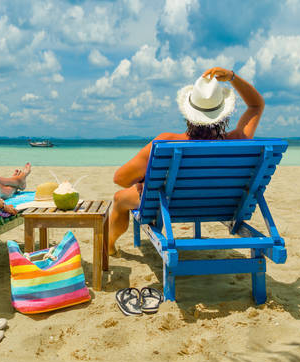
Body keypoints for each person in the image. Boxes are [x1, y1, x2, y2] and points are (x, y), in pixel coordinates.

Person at [109, 67, 265, 252]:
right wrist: (232, 77)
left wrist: (145, 180)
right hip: (223, 205)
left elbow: (120, 179)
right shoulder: (239, 139)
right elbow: (256, 105)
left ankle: (109, 246)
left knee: (119, 198)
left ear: (189, 113)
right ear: (223, 114)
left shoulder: (166, 142)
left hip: (171, 205)